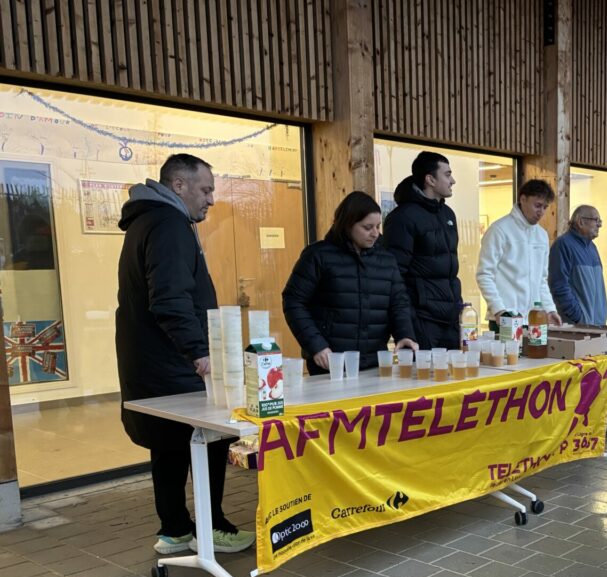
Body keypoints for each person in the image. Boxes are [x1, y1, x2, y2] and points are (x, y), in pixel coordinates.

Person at [116, 154, 256, 556]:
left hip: (151, 361)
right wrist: (198, 352)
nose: (212, 199)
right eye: (206, 189)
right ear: (179, 185)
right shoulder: (169, 225)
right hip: (171, 361)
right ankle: (213, 530)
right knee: (208, 438)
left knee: (169, 443)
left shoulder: (148, 221)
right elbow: (170, 298)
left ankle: (175, 529)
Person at [283, 191, 418, 374]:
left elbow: (399, 303)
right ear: (347, 224)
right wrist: (316, 345)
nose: (375, 234)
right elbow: (294, 301)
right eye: (367, 227)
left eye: (378, 226)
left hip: (374, 361)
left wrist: (405, 334)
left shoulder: (386, 260)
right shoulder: (318, 256)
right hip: (330, 362)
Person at [380, 151, 462, 349]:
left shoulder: (447, 213)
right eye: (447, 174)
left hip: (450, 317)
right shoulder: (403, 218)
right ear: (430, 179)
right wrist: (406, 323)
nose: (453, 181)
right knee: (426, 378)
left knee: (453, 377)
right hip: (422, 319)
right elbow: (395, 274)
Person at [477, 179, 561, 328]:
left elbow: (541, 280)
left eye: (545, 207)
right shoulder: (499, 230)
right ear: (523, 199)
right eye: (537, 205)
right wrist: (498, 310)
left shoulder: (541, 235)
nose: (541, 212)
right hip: (505, 317)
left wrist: (549, 309)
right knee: (507, 353)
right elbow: (484, 275)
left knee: (537, 352)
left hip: (535, 318)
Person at [547, 205, 607, 326]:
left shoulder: (593, 248)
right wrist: (578, 317)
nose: (599, 225)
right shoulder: (563, 245)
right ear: (581, 222)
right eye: (596, 220)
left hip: (597, 327)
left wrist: (601, 316)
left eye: (600, 221)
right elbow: (559, 286)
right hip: (576, 328)